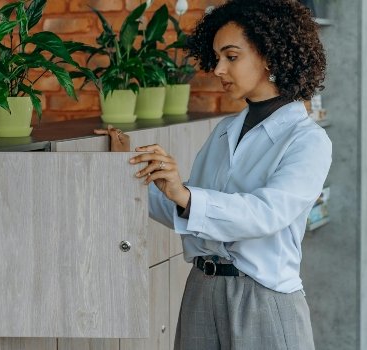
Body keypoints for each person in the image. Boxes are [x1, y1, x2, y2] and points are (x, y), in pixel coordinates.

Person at [97, 0, 329, 348]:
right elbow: (187, 214)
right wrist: (126, 170)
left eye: (231, 57)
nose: (218, 69)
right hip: (201, 292)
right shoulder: (225, 130)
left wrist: (185, 195)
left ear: (269, 55)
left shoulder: (307, 140)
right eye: (217, 57)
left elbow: (266, 214)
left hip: (263, 299)